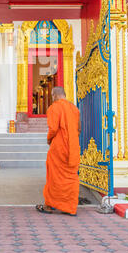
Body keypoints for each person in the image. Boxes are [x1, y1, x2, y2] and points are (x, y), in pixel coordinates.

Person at [36, 86, 81, 216]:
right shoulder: (74, 109)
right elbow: (79, 129)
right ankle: (70, 207)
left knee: (54, 177)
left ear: (54, 95)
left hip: (59, 147)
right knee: (71, 176)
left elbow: (53, 128)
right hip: (73, 147)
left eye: (52, 96)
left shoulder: (54, 107)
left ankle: (49, 205)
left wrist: (49, 139)